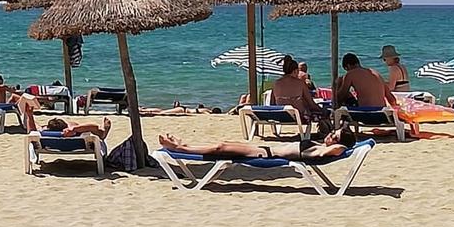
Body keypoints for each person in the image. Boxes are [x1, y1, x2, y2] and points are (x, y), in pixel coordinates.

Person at [159, 127, 357, 161]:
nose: (330, 135)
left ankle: (180, 148)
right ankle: (185, 146)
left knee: (220, 147)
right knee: (222, 144)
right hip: (261, 149)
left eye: (334, 135)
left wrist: (341, 146)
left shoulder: (321, 151)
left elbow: (336, 149)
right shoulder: (319, 146)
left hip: (264, 155)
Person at [272, 55, 331, 132]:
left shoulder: (276, 83)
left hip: (281, 115)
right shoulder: (300, 83)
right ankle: (326, 131)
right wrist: (322, 110)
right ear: (295, 71)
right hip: (299, 116)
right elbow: (311, 104)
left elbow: (273, 102)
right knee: (324, 112)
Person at [44, 115, 112, 141]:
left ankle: (102, 131)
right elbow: (94, 127)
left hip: (54, 144)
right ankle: (102, 132)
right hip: (79, 143)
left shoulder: (46, 134)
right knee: (90, 129)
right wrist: (74, 128)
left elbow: (35, 129)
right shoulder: (75, 132)